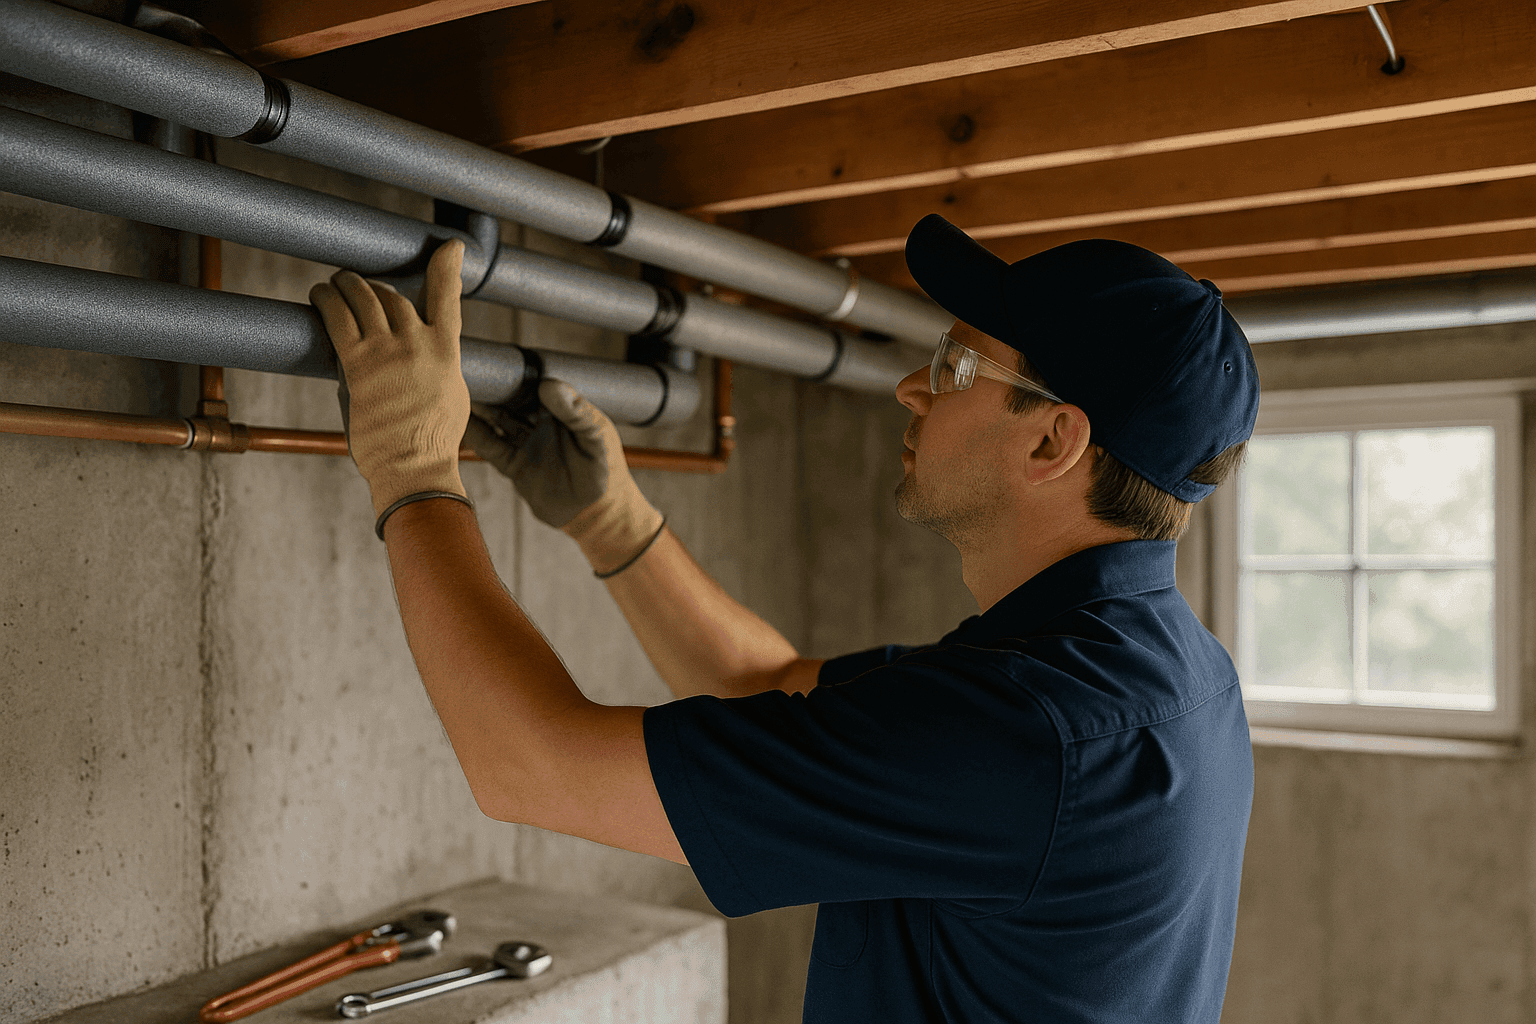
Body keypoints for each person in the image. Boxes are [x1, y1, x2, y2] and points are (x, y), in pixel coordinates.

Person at [309, 212, 1261, 1024]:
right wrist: (616, 523)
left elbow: (529, 765)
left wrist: (413, 472)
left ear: (1054, 439)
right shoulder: (1166, 676)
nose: (913, 386)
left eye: (956, 362)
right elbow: (767, 686)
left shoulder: (1021, 730)